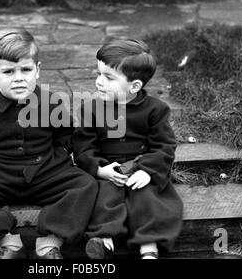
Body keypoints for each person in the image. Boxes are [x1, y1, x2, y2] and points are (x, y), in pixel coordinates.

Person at [0, 28, 97, 259]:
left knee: (85, 184)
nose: (18, 78)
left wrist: (61, 153)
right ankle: (7, 241)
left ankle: (50, 242)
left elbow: (66, 131)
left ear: (37, 70)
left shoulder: (50, 102)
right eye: (8, 71)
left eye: (26, 70)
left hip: (45, 172)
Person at [73, 38, 183, 259]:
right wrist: (99, 169)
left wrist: (148, 170)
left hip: (139, 166)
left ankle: (148, 248)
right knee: (103, 196)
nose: (99, 82)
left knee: (147, 199)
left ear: (134, 86)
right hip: (108, 168)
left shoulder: (155, 110)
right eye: (98, 74)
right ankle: (103, 241)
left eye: (109, 77)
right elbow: (83, 145)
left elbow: (164, 145)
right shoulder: (92, 109)